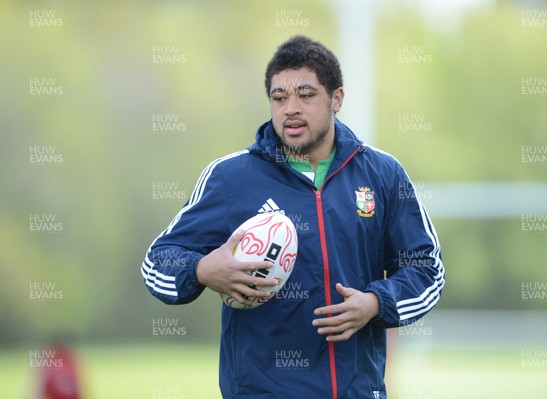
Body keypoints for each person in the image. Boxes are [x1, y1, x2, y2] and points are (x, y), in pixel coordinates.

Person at [141, 35, 444, 399]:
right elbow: (157, 262)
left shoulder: (382, 174)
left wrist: (376, 303)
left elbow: (426, 269)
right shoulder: (230, 178)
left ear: (337, 99)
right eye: (279, 97)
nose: (290, 108)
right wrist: (202, 269)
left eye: (306, 94)